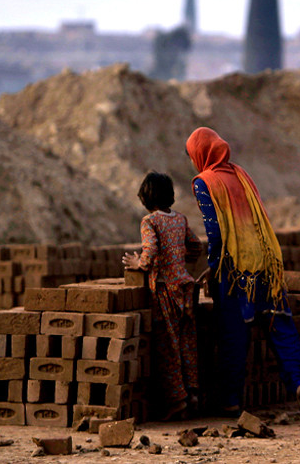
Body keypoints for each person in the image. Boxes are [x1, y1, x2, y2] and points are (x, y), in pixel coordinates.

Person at [184, 126, 300, 420]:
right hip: (266, 262)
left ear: (199, 154)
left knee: (233, 335)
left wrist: (214, 265)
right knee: (282, 329)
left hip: (235, 269)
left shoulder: (204, 182)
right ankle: (299, 387)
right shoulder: (241, 174)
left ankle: (231, 402)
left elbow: (215, 232)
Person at [122, 171, 200, 420]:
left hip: (165, 290)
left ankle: (177, 402)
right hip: (186, 289)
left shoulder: (149, 222)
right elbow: (196, 246)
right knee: (187, 345)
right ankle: (194, 394)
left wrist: (139, 264)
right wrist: (178, 259)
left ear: (146, 197)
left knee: (169, 347)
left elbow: (151, 250)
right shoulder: (180, 218)